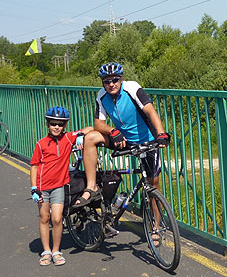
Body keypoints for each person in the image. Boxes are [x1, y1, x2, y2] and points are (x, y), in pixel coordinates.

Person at [78, 62, 170, 207]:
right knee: (90, 137)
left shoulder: (132, 88)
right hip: (123, 140)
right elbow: (98, 124)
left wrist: (161, 134)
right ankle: (91, 187)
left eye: (115, 80)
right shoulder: (101, 96)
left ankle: (156, 228)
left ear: (121, 79)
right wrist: (113, 131)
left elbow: (150, 111)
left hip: (147, 141)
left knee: (153, 185)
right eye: (107, 81)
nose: (111, 84)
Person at [30, 107, 92, 266]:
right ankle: (46, 251)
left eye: (60, 124)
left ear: (65, 125)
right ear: (47, 125)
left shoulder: (68, 139)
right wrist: (33, 187)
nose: (56, 127)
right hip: (42, 187)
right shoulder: (41, 144)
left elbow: (90, 128)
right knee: (45, 217)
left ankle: (56, 251)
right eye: (53, 124)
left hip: (58, 186)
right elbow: (34, 166)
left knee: (57, 219)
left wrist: (80, 136)